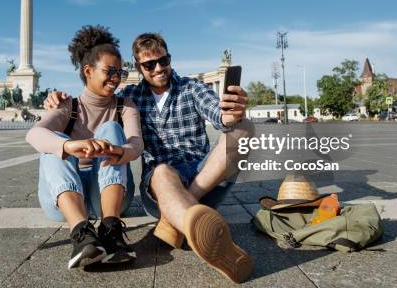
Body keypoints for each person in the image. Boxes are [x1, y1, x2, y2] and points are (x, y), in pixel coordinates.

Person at [45, 33, 254, 283]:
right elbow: (96, 99)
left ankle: (179, 215)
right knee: (162, 171)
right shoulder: (131, 98)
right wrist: (57, 99)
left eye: (163, 61)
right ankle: (204, 235)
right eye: (149, 65)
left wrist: (232, 114)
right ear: (138, 67)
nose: (158, 69)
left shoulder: (192, 88)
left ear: (169, 59)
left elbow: (219, 114)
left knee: (245, 129)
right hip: (160, 186)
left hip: (204, 177)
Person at [26, 25, 144, 269]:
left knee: (111, 130)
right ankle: (81, 234)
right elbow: (34, 134)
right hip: (65, 199)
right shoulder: (66, 106)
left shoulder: (126, 106)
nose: (115, 78)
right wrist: (70, 146)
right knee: (54, 140)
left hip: (108, 195)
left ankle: (111, 230)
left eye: (119, 73)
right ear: (88, 70)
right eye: (109, 71)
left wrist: (114, 150)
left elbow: (136, 144)